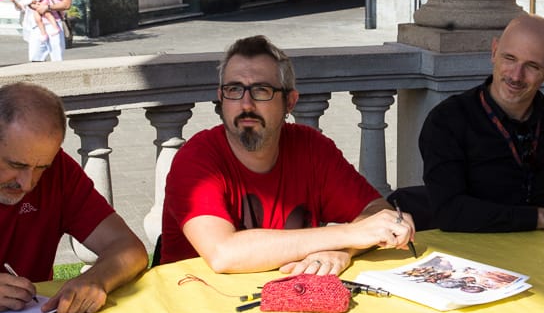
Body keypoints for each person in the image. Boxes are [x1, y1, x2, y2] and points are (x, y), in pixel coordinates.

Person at [160, 35, 415, 275]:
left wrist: (341, 251)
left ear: (290, 102)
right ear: (221, 98)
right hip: (197, 299)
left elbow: (375, 212)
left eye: (261, 90)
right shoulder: (196, 160)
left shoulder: (311, 147)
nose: (246, 104)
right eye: (234, 90)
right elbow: (223, 254)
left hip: (288, 297)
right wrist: (348, 235)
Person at [392, 14, 544, 233]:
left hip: (525, 240)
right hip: (453, 242)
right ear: (494, 52)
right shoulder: (448, 120)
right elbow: (450, 213)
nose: (516, 76)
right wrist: (541, 217)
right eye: (510, 58)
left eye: (532, 66)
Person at [0, 82, 148, 313]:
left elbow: (129, 248)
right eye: (16, 165)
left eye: (41, 167)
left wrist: (96, 278)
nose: (27, 184)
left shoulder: (59, 170)